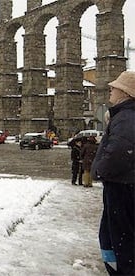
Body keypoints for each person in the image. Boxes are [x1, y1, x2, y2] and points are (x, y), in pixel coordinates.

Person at [91, 71, 135, 275]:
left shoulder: (127, 117)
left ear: (125, 93)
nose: (111, 89)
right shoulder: (124, 115)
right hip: (122, 185)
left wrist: (101, 170)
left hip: (122, 187)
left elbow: (121, 151)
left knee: (119, 239)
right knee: (114, 236)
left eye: (114, 87)